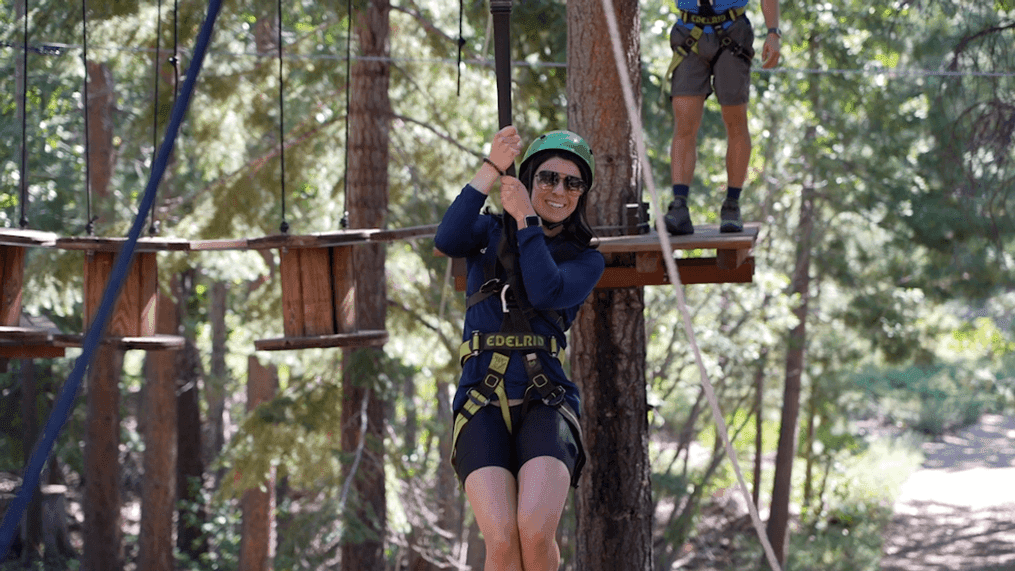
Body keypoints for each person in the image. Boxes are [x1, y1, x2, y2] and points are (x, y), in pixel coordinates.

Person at [434, 125, 604, 571]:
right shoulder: (488, 232)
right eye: (547, 177)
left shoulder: (585, 258)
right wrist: (491, 167)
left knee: (533, 528)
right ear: (529, 178)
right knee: (503, 539)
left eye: (572, 183)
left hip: (545, 399)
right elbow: (447, 239)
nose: (559, 190)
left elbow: (546, 291)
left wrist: (526, 217)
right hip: (480, 398)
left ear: (581, 193)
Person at [664, 0, 781, 235]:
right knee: (684, 124)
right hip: (689, 31)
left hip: (732, 31)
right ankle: (679, 206)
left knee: (735, 121)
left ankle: (731, 205)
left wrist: (773, 32)